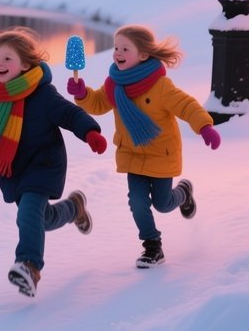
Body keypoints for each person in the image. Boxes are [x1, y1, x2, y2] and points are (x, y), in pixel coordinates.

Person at [0, 27, 106, 299]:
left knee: (28, 214)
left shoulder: (43, 94)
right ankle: (74, 208)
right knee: (42, 218)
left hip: (44, 163)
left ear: (25, 64)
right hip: (15, 169)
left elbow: (69, 114)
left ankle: (29, 267)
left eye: (7, 58)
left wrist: (90, 132)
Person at [66, 24, 221, 269]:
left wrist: (204, 127)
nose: (117, 53)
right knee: (137, 202)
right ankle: (152, 246)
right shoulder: (114, 84)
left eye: (125, 48)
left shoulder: (160, 86)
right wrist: (83, 93)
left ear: (144, 55)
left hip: (161, 154)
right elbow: (97, 104)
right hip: (132, 154)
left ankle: (183, 193)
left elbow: (187, 106)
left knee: (162, 203)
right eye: (116, 47)